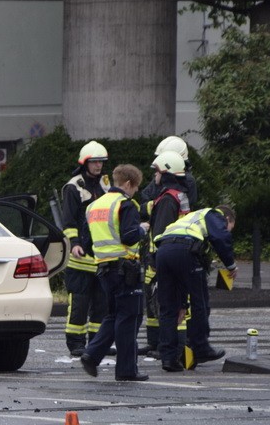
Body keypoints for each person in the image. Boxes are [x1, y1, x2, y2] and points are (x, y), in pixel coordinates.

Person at [78, 164, 150, 381]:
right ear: (128, 184)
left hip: (104, 269)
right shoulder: (125, 204)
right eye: (135, 187)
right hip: (125, 269)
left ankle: (91, 355)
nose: (135, 191)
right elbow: (129, 236)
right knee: (129, 317)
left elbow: (87, 242)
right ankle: (126, 370)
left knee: (113, 315)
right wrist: (142, 230)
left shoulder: (93, 206)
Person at [154, 205, 238, 372]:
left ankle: (168, 358)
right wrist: (231, 265)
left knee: (169, 308)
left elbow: (183, 279)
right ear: (227, 219)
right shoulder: (214, 214)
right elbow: (221, 238)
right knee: (200, 301)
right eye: (230, 227)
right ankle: (201, 348)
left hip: (163, 251)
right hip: (185, 249)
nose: (227, 230)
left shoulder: (190, 218)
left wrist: (183, 304)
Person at [140, 149, 193, 357]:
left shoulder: (167, 199)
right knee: (173, 303)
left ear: (167, 173)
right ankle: (169, 347)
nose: (155, 176)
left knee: (166, 304)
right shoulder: (180, 195)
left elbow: (160, 233)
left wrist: (155, 259)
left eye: (157, 172)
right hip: (180, 255)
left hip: (164, 259)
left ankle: (172, 349)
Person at [60, 141, 110, 357]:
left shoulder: (105, 186)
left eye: (101, 162)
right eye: (95, 162)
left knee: (101, 304)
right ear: (85, 163)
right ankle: (76, 343)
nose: (98, 166)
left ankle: (97, 343)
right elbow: (69, 221)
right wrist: (75, 244)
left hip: (100, 256)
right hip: (80, 258)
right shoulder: (74, 187)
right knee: (79, 304)